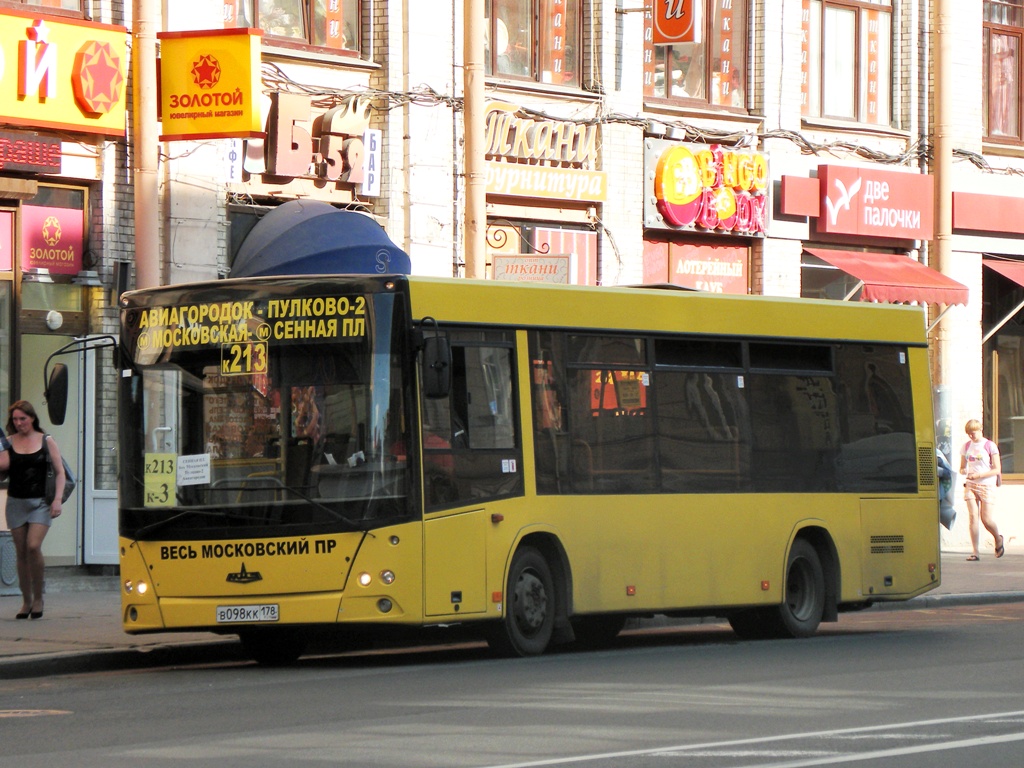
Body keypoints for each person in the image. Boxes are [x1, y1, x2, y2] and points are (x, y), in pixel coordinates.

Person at [0, 400, 66, 619]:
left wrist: (57, 499)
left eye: (23, 419)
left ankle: (38, 598)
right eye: (15, 420)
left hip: (40, 503)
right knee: (21, 553)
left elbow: (60, 472)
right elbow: (2, 468)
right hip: (16, 502)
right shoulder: (8, 442)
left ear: (32, 418)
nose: (19, 424)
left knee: (33, 546)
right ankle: (26, 600)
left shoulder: (46, 441)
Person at [959, 418, 1004, 561]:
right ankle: (975, 551)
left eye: (973, 433)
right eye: (969, 434)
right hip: (971, 484)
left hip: (986, 484)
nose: (972, 436)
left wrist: (979, 475)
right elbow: (962, 466)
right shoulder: (966, 447)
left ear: (980, 430)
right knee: (973, 517)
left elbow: (997, 469)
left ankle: (998, 538)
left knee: (986, 519)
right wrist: (963, 470)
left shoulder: (989, 446)